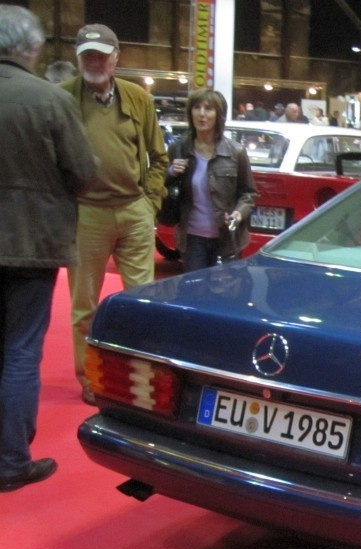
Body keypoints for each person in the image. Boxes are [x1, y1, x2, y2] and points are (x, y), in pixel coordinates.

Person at [0, 5, 97, 491]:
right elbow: (84, 172)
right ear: (33, 48)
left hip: (26, 241)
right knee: (20, 352)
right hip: (31, 243)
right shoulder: (50, 100)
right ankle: (10, 462)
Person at [61, 23, 168, 405]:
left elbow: (159, 157)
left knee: (142, 304)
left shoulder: (138, 98)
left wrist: (150, 204)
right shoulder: (62, 98)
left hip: (134, 211)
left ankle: (139, 380)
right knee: (84, 308)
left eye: (102, 55)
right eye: (88, 55)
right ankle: (91, 379)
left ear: (116, 57)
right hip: (86, 214)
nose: (95, 61)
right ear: (78, 58)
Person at [165, 89, 257, 273]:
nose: (202, 114)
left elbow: (249, 193)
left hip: (227, 238)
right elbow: (161, 185)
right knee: (195, 288)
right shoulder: (178, 149)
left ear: (218, 115)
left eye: (208, 109)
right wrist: (170, 172)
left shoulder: (236, 151)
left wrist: (238, 214)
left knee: (224, 289)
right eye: (197, 108)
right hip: (192, 239)